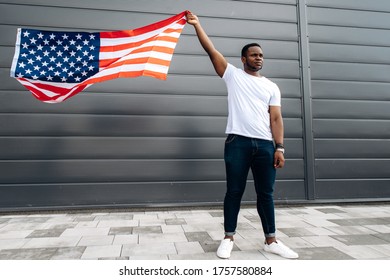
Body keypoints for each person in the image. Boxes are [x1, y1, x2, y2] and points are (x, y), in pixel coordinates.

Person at [186, 11, 298, 259]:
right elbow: (211, 50)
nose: (259, 58)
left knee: (266, 194)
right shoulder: (233, 75)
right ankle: (228, 238)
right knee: (234, 191)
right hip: (237, 142)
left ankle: (271, 240)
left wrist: (279, 147)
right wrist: (197, 25)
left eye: (261, 55)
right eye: (254, 54)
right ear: (243, 58)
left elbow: (276, 118)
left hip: (265, 146)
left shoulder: (271, 86)